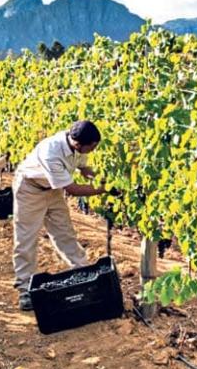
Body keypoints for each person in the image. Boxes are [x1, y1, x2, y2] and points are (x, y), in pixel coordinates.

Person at [11, 120, 118, 311]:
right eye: (92, 148)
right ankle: (25, 288)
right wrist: (104, 190)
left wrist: (105, 181)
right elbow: (74, 189)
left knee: (64, 232)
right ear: (78, 144)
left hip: (52, 191)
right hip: (29, 189)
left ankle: (82, 272)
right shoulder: (51, 152)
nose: (93, 151)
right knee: (26, 237)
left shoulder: (76, 143)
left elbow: (84, 170)